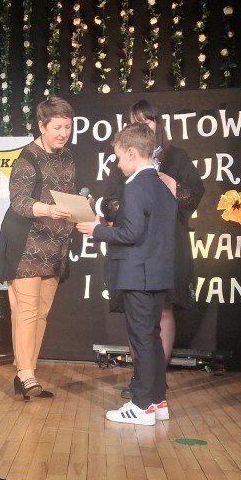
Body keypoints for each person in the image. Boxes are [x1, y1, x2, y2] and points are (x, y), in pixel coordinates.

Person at [104, 98, 205, 399]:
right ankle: (141, 376)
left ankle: (156, 377)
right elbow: (110, 200)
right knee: (137, 315)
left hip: (167, 243)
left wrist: (173, 186)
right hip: (134, 246)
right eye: (135, 121)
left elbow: (194, 195)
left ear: (158, 123)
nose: (142, 126)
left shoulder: (177, 157)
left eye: (146, 120)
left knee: (163, 309)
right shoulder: (124, 158)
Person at [77, 123, 176, 425]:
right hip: (157, 273)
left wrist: (97, 231)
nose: (118, 164)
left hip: (138, 274)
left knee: (142, 339)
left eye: (119, 157)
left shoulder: (135, 186)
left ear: (132, 153)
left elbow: (131, 233)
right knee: (151, 337)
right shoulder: (161, 186)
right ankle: (157, 400)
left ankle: (142, 405)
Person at [0, 96, 80, 400]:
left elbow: (68, 195)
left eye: (67, 127)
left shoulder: (67, 157)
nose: (63, 133)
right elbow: (19, 201)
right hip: (26, 247)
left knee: (41, 314)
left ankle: (26, 374)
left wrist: (82, 206)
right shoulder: (27, 158)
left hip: (55, 247)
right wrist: (48, 209)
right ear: (42, 126)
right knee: (27, 312)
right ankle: (27, 374)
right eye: (57, 127)